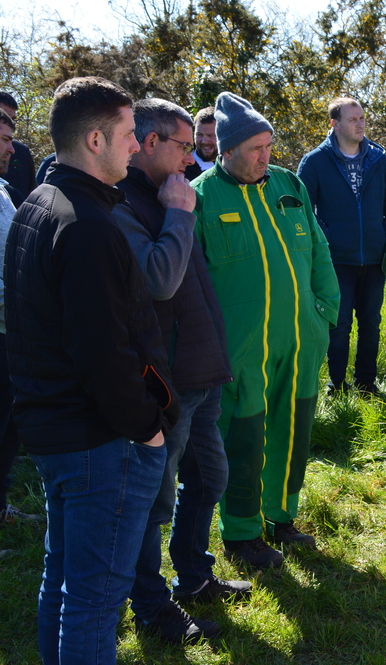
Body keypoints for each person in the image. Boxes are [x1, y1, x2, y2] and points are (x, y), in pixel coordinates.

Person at [5, 76, 178, 664]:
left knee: (64, 582)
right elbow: (101, 352)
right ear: (97, 139)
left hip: (57, 430)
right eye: (130, 135)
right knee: (94, 600)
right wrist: (146, 427)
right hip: (99, 440)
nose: (137, 147)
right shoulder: (87, 226)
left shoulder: (39, 203)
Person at [113, 98, 251, 644]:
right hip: (167, 382)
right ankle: (151, 606)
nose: (193, 156)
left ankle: (193, 577)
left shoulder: (175, 193)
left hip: (202, 370)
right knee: (154, 500)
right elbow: (157, 282)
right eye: (182, 145)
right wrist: (177, 212)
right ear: (149, 144)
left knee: (209, 477)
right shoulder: (126, 204)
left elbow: (198, 285)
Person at [193, 92, 340, 568]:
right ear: (226, 148)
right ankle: (240, 534)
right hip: (240, 349)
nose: (265, 157)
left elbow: (319, 251)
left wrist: (325, 315)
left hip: (299, 340)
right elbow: (188, 281)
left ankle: (281, 518)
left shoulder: (288, 184)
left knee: (293, 432)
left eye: (268, 146)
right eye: (255, 149)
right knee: (244, 438)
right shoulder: (200, 197)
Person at [297, 97, 386, 395]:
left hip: (374, 258)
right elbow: (302, 211)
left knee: (371, 323)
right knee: (339, 324)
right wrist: (326, 240)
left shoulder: (378, 159)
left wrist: (385, 235)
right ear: (335, 123)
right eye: (353, 119)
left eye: (362, 118)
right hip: (336, 261)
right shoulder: (315, 162)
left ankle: (367, 383)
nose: (360, 123)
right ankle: (337, 385)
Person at [0, 108, 40, 527]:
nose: (13, 149)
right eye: (4, 139)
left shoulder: (3, 191)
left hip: (11, 333)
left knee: (7, 428)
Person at [0, 92, 36, 201]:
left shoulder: (22, 152)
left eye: (12, 119)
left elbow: (32, 193)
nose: (9, 123)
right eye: (3, 116)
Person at [184, 106, 217, 180]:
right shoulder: (182, 169)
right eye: (199, 135)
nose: (204, 141)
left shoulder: (232, 167)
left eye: (210, 135)